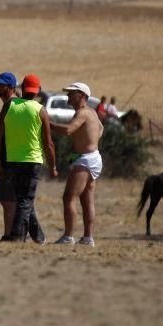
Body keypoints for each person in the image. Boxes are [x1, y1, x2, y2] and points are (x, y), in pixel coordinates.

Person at [3, 74, 55, 244]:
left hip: (12, 160)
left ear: (22, 88)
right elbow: (49, 144)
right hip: (33, 161)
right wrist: (53, 166)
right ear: (38, 91)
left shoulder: (10, 105)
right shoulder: (40, 110)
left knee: (23, 199)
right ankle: (17, 237)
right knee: (25, 200)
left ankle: (39, 237)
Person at [51, 82, 102, 247]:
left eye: (71, 93)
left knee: (69, 197)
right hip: (92, 157)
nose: (68, 96)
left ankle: (68, 237)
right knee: (87, 199)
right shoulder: (91, 112)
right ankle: (88, 238)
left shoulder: (82, 113)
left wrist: (47, 124)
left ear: (81, 95)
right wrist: (91, 141)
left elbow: (67, 130)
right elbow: (101, 128)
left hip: (85, 159)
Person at [0, 72, 18, 241]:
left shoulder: (10, 106)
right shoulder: (10, 105)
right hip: (8, 159)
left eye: (0, 84)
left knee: (9, 201)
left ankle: (11, 235)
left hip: (8, 160)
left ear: (10, 88)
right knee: (8, 201)